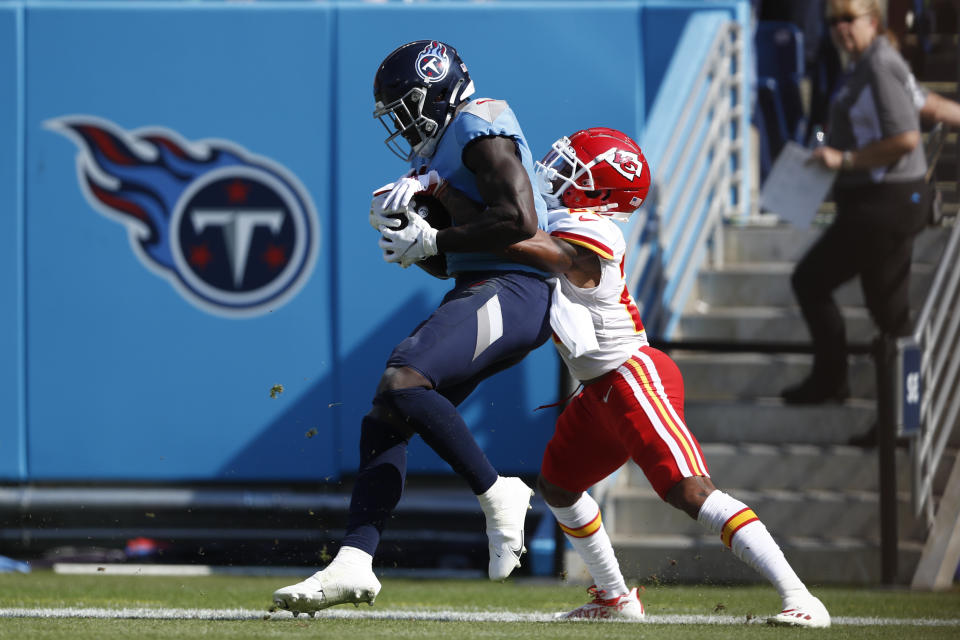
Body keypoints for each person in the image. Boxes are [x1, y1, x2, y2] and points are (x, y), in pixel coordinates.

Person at [440, 127, 832, 626]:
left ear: (600, 191)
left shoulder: (595, 230)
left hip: (632, 375)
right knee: (558, 486)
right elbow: (506, 237)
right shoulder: (556, 219)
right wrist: (443, 195)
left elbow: (528, 247)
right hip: (598, 389)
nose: (552, 175)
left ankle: (800, 597)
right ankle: (615, 597)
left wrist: (441, 228)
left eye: (569, 170)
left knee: (689, 492)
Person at [271, 40, 553, 614]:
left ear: (438, 85)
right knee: (388, 413)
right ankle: (354, 560)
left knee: (404, 380)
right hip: (485, 285)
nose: (403, 122)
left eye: (407, 106)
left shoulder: (482, 123)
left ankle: (500, 492)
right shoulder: (443, 152)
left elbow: (519, 222)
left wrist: (434, 236)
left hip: (518, 289)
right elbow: (454, 257)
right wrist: (414, 242)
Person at [780, 0, 934, 407]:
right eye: (833, 21)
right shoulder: (863, 63)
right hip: (878, 203)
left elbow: (906, 137)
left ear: (873, 20)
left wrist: (845, 160)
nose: (839, 29)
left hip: (885, 204)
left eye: (849, 19)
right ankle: (902, 418)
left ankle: (835, 383)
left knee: (811, 281)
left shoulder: (880, 64)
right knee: (890, 315)